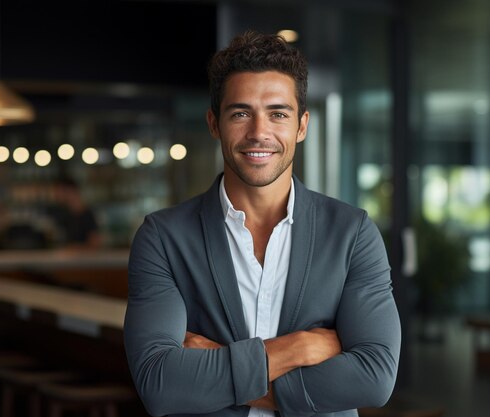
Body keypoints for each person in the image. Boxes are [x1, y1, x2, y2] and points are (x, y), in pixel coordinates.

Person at [124, 30, 401, 417]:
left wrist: (218, 366)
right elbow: (159, 383)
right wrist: (298, 348)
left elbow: (374, 377)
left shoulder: (353, 233)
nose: (259, 133)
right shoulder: (163, 237)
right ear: (214, 123)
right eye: (240, 113)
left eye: (278, 114)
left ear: (302, 126)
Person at [52, 177, 102, 250]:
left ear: (70, 190)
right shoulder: (67, 215)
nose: (56, 195)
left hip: (85, 260)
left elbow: (95, 244)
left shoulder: (87, 215)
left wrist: (74, 249)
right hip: (72, 260)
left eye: (58, 191)